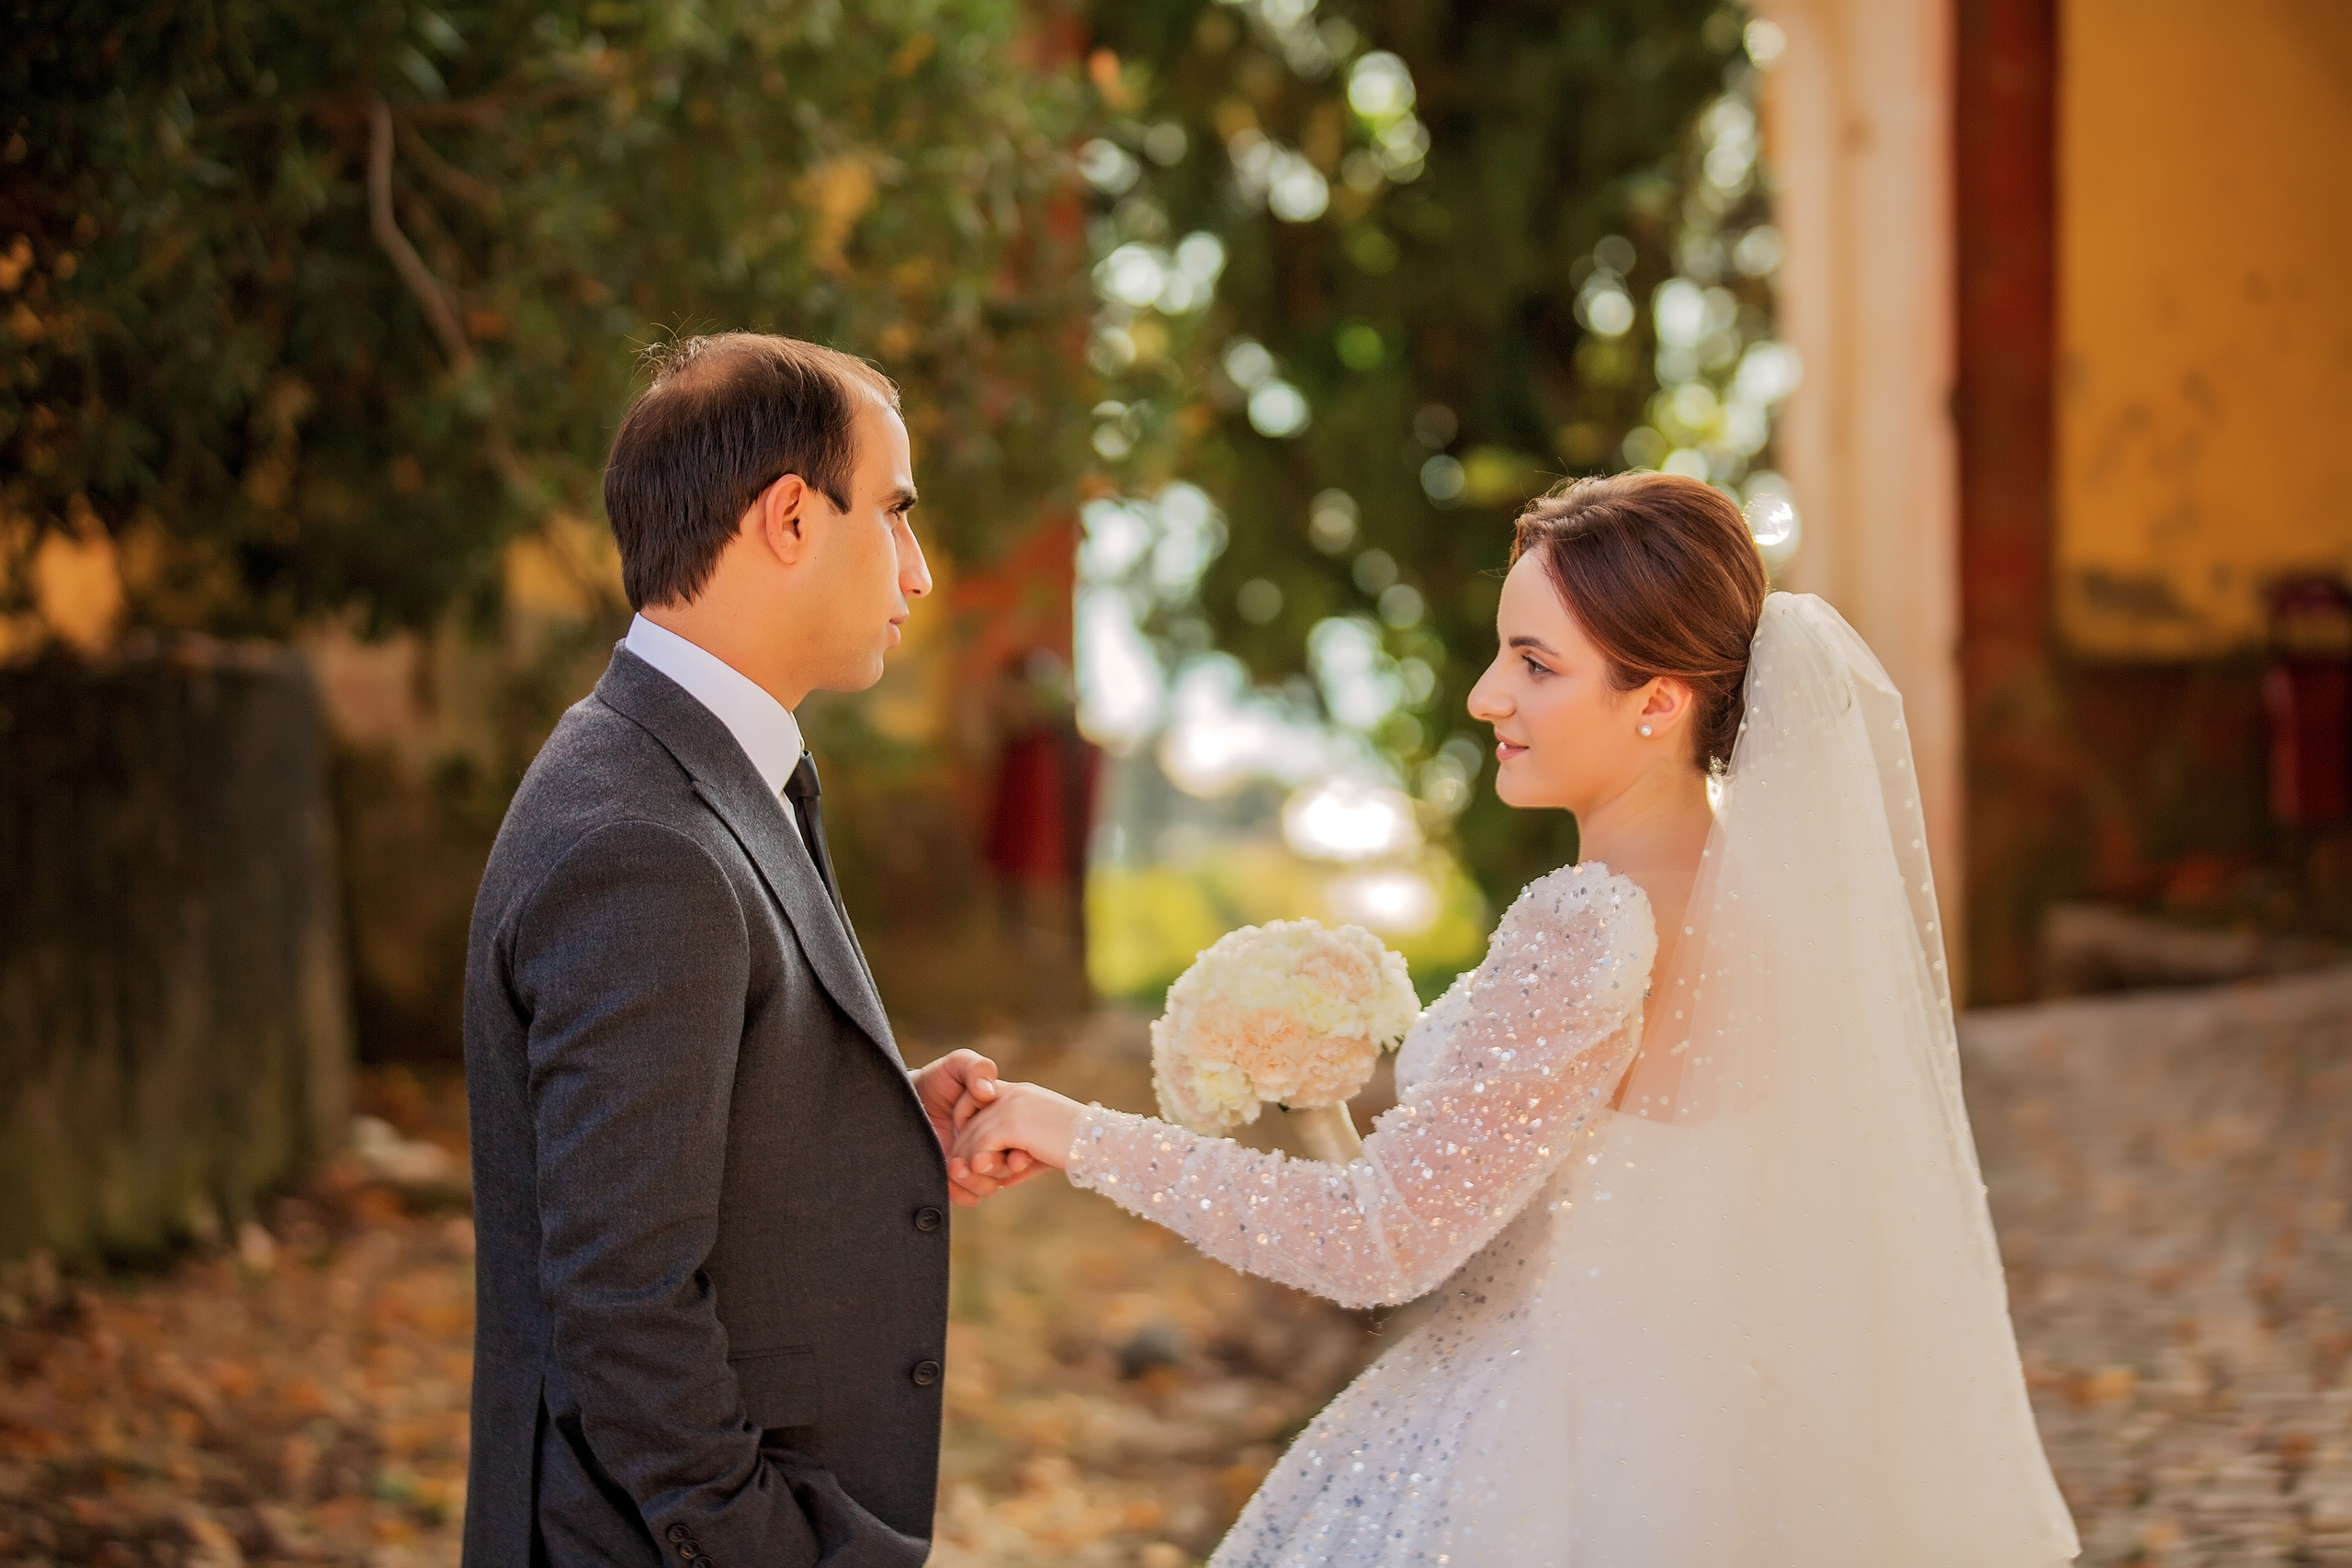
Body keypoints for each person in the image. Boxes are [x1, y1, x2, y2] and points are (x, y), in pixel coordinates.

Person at [952, 473, 2082, 1564]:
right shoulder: (1773, 914)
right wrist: (1317, 1100)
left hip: (1541, 1453)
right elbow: (1518, 1207)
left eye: (1535, 665)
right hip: (1712, 1438)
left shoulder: (1591, 926)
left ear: (1657, 701)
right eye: (1502, 652)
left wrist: (1070, 1132)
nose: (1487, 695)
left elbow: (1381, 1244)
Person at [462, 333, 1019, 1566]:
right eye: (895, 513)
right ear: (787, 517)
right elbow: (622, 1302)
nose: (918, 572)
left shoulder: (682, 769)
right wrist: (776, 1545)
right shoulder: (639, 836)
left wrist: (861, 1115)